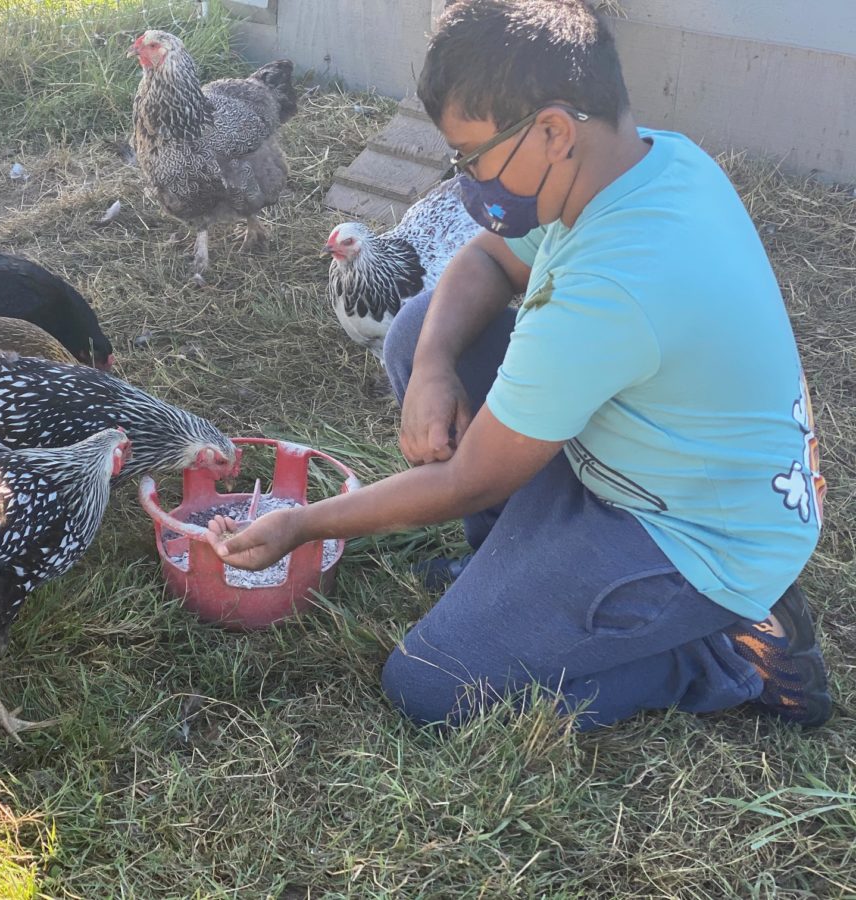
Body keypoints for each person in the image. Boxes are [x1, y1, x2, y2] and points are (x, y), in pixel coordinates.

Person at [207, 0, 832, 731]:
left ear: (554, 132)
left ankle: (727, 653)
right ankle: (506, 562)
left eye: (472, 157)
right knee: (417, 330)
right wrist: (435, 362)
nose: (467, 179)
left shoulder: (613, 286)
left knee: (434, 686)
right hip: (652, 463)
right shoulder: (640, 163)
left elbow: (470, 476)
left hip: (693, 537)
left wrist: (302, 524)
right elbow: (484, 258)